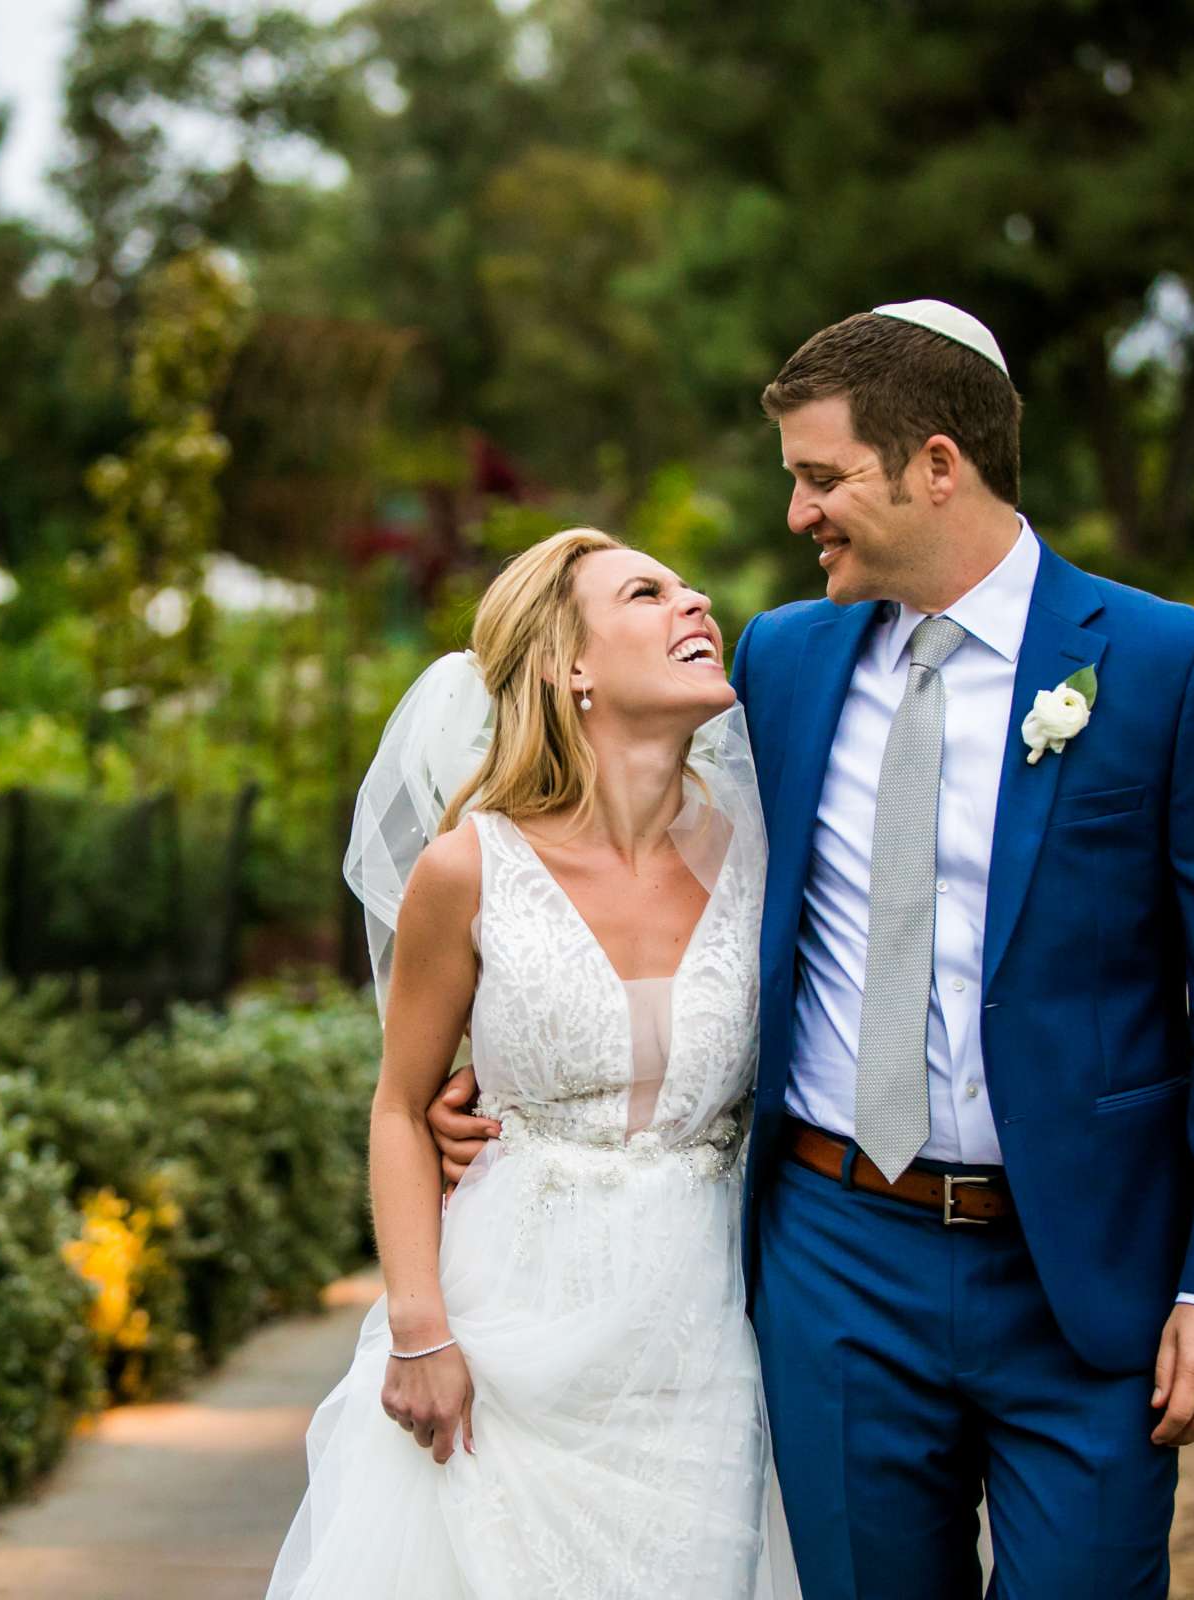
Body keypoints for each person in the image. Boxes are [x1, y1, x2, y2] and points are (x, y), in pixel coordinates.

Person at [431, 301, 1194, 1597]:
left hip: (1085, 1267)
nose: (799, 516)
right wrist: (504, 1071)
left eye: (823, 477)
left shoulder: (1173, 669)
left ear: (938, 466)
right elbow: (629, 863)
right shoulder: (781, 663)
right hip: (836, 1262)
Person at [266, 527, 796, 1598]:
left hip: (702, 1336)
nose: (695, 603)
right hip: (503, 1328)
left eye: (691, 587)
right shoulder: (469, 869)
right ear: (570, 666)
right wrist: (419, 1330)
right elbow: (402, 1108)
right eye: (648, 592)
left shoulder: (768, 853)